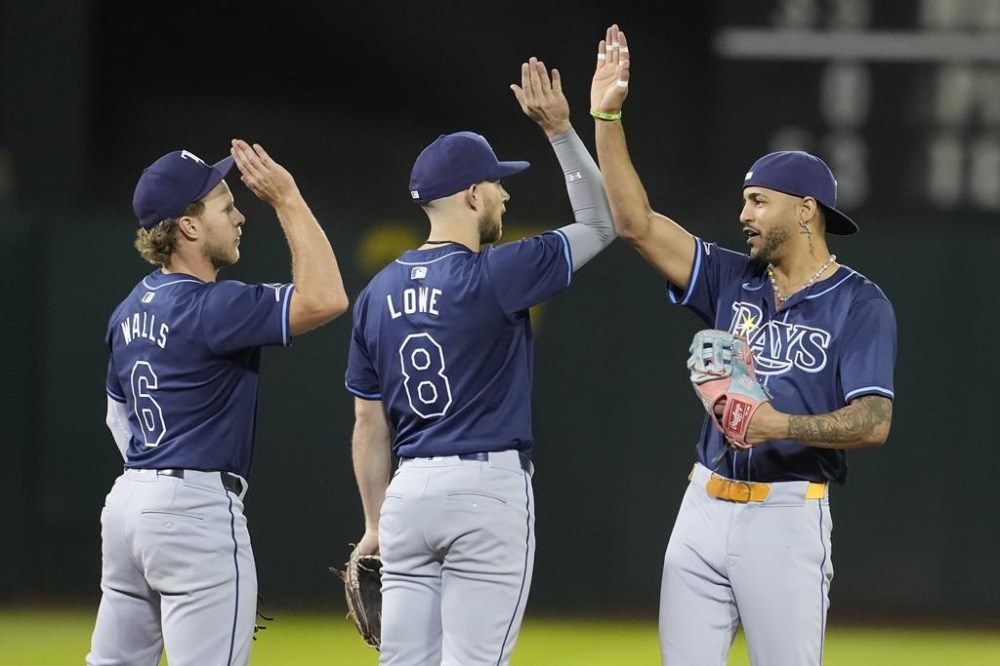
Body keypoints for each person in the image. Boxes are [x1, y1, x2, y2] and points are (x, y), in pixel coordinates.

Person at [589, 25, 897, 666]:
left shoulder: (860, 303)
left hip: (787, 514)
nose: (744, 214)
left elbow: (873, 422)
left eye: (758, 201)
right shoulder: (735, 278)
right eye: (743, 201)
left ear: (805, 209)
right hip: (703, 504)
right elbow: (635, 223)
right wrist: (607, 117)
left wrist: (772, 423)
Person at [345, 57, 615, 665]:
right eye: (497, 183)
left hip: (407, 496)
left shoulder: (376, 294)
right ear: (472, 194)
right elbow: (604, 222)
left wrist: (375, 524)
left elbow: (368, 424)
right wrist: (559, 132)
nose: (505, 192)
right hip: (485, 489)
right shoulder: (498, 272)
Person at [87, 140, 349, 666]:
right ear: (188, 225)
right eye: (226, 206)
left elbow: (117, 417)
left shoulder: (127, 310)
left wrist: (151, 479)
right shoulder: (215, 306)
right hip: (193, 512)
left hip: (128, 506)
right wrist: (288, 199)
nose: (240, 217)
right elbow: (327, 298)